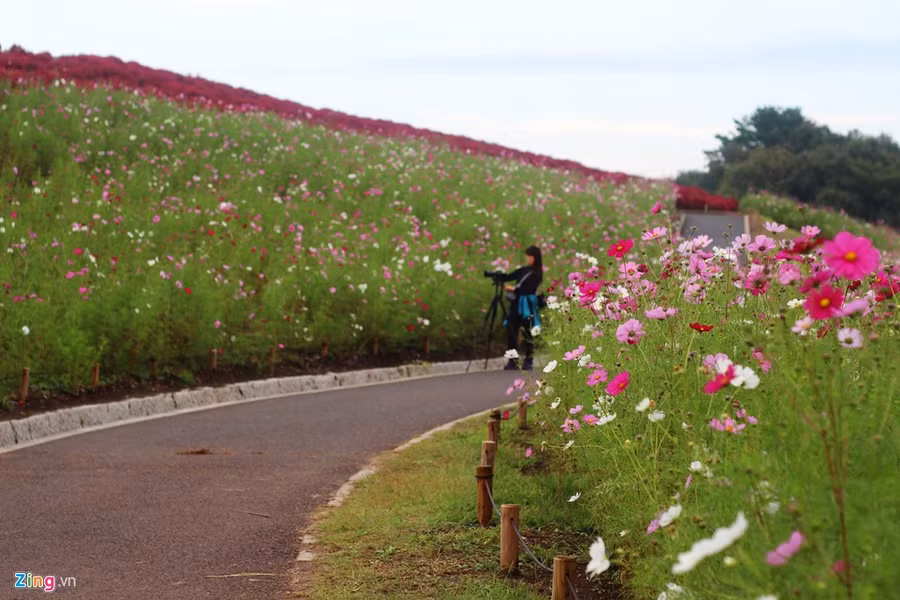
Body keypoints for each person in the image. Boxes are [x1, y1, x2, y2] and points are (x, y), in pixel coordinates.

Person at [500, 245, 543, 370]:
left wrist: (513, 289)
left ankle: (529, 359)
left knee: (528, 331)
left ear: (535, 257)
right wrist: (498, 276)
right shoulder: (523, 270)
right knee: (512, 329)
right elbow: (509, 276)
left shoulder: (537, 273)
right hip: (516, 303)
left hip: (528, 305)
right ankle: (513, 359)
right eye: (527, 256)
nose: (528, 259)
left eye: (530, 256)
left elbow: (530, 289)